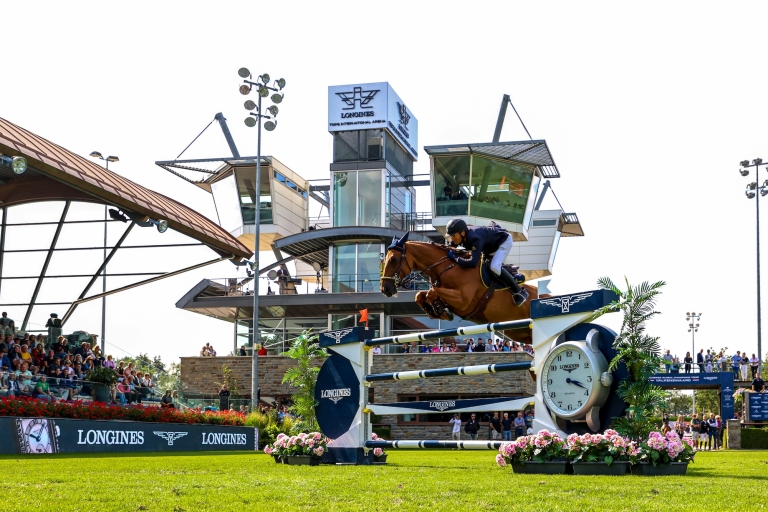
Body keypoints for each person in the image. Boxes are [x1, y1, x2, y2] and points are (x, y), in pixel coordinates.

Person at [444, 219, 526, 306]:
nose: (452, 239)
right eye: (451, 236)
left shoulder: (474, 238)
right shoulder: (462, 235)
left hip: (503, 242)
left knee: (494, 267)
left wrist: (455, 258)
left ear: (463, 233)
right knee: (487, 267)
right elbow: (451, 245)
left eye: (453, 236)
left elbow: (473, 263)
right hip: (490, 246)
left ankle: (519, 292)